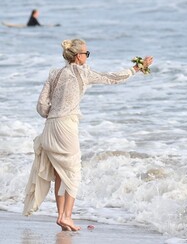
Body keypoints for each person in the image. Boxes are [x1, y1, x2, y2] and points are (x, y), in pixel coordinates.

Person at [23, 39, 153, 231]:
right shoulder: (82, 73)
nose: (88, 56)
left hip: (49, 127)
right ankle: (66, 216)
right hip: (66, 127)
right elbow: (112, 78)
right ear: (78, 56)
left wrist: (53, 113)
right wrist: (136, 68)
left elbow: (41, 106)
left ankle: (61, 216)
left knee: (60, 172)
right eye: (87, 53)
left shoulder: (54, 73)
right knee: (73, 172)